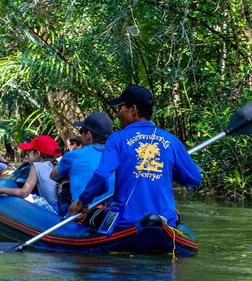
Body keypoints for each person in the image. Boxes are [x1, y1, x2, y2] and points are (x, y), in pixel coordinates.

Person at [70, 85, 201, 227]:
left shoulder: (117, 139)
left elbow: (102, 175)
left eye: (121, 108)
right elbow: (194, 179)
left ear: (133, 109)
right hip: (164, 221)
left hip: (123, 222)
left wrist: (82, 202)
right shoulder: (171, 141)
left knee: (90, 216)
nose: (118, 113)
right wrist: (169, 172)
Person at [51, 112, 115, 215]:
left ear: (89, 135)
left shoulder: (74, 155)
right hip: (109, 213)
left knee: (65, 183)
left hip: (81, 215)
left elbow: (53, 176)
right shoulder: (118, 156)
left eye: (82, 132)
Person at [0, 135, 60, 213]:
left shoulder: (36, 166)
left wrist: (2, 190)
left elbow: (24, 193)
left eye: (28, 153)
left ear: (37, 154)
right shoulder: (58, 165)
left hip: (54, 210)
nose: (27, 156)